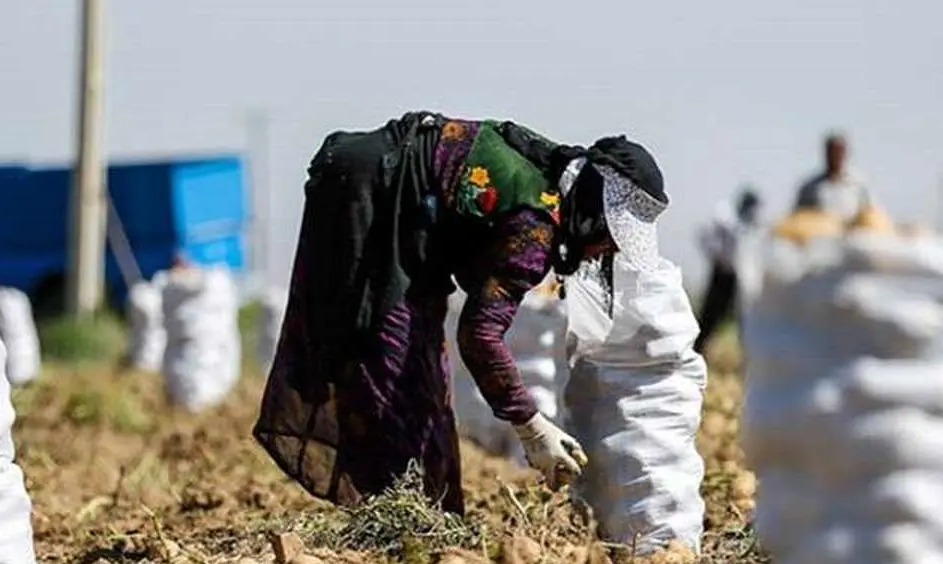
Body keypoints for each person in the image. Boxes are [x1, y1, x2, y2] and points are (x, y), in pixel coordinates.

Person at [254, 111, 669, 515]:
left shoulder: (553, 174)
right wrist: (531, 426)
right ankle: (398, 518)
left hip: (396, 204)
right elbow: (479, 336)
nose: (605, 252)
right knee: (394, 367)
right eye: (609, 239)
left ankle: (422, 513)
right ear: (594, 212)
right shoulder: (534, 228)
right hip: (373, 200)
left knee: (419, 367)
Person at [693, 187, 761, 354]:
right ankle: (697, 353)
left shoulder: (751, 224)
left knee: (745, 322)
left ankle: (746, 357)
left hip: (741, 279)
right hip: (723, 275)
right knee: (710, 317)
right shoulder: (725, 217)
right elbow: (705, 237)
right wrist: (717, 258)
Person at [793, 132, 872, 222]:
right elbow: (798, 217)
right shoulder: (810, 188)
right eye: (832, 152)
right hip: (822, 233)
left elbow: (870, 213)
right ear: (826, 153)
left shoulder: (858, 185)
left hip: (852, 233)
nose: (836, 156)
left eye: (839, 151)